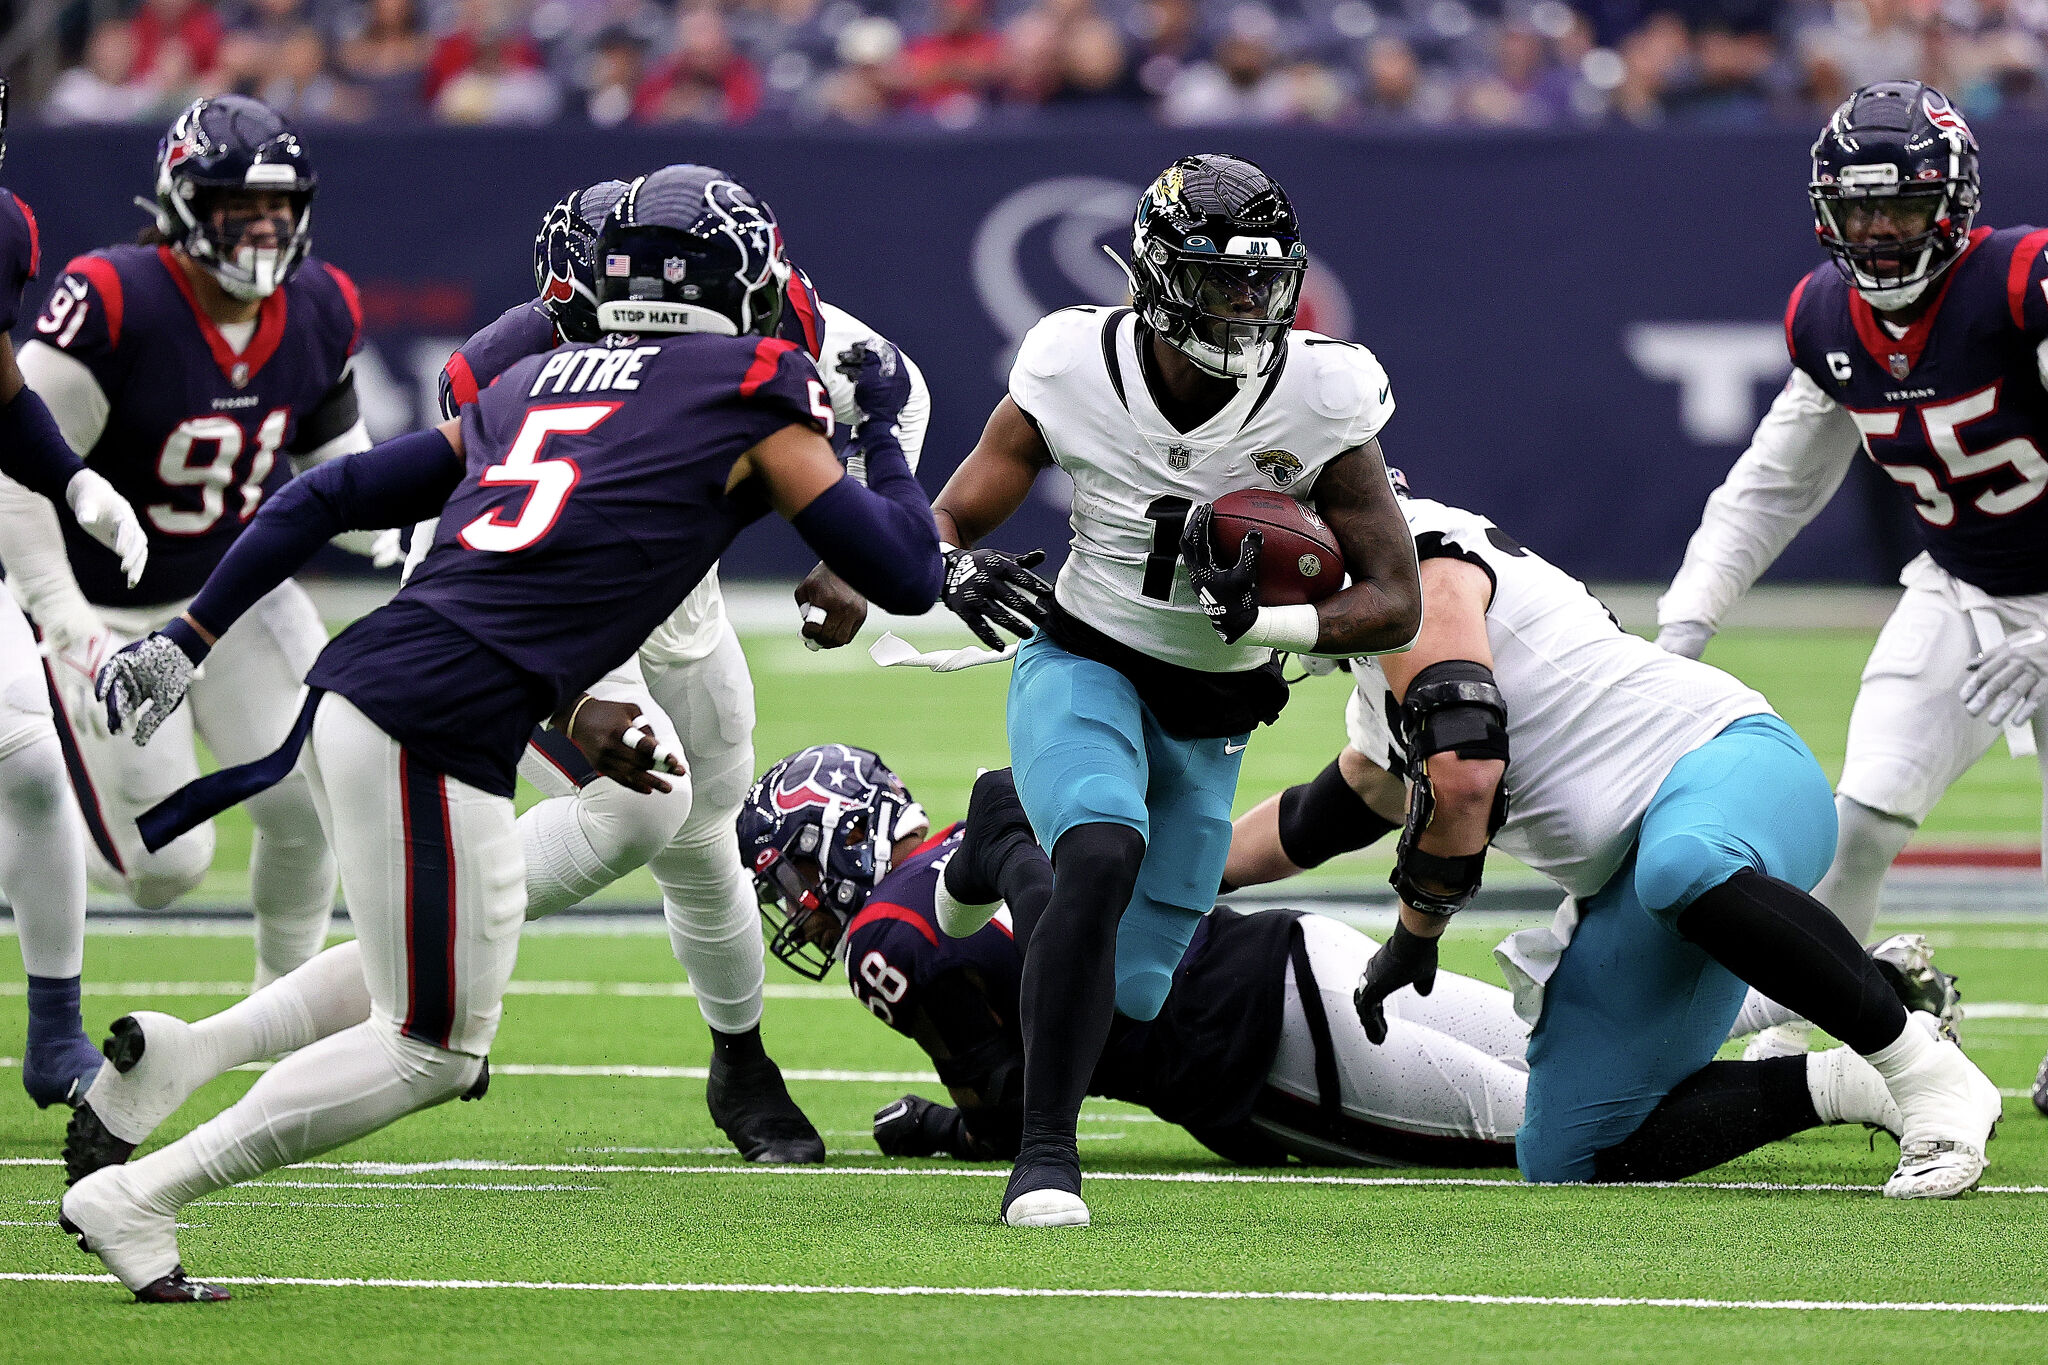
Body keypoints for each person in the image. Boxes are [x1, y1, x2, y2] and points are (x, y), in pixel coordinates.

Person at [58, 163, 943, 1302]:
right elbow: (909, 570)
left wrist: (189, 637)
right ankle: (139, 1198)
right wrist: (884, 455)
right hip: (436, 711)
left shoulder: (533, 383)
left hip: (390, 684)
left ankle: (186, 1063)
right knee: (433, 1047)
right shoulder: (751, 377)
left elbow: (332, 500)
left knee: (443, 967)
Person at [1231, 476, 2000, 1194]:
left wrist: (1412, 935)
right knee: (1569, 1148)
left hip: (1736, 768)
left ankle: (1925, 1073)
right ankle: (1846, 1078)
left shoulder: (1428, 566)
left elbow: (1466, 771)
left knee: (1682, 865)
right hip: (1635, 878)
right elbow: (1342, 802)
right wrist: (1183, 875)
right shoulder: (1383, 652)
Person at [927, 153, 1422, 1225]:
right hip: (1087, 656)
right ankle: (1044, 1160)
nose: (1246, 304)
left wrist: (1276, 622)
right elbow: (953, 513)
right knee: (1098, 857)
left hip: (1216, 712)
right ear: (1153, 276)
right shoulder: (1071, 364)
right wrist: (953, 569)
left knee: (1135, 995)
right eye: (1217, 278)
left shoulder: (1319, 388)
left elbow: (1394, 600)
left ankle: (992, 830)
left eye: (1261, 279)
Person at [417, 176, 931, 1161]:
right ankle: (409, 963)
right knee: (643, 809)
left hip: (664, 578)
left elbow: (892, 390)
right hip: (516, 591)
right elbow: (463, 537)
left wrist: (851, 549)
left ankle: (739, 1062)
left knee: (703, 832)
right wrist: (569, 694)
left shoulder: (780, 307)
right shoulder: (501, 369)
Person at [1655, 82, 2048, 1111]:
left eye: (1899, 208)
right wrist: (1683, 622)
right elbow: (1770, 486)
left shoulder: (2019, 284)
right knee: (1858, 818)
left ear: (1952, 204)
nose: (1875, 233)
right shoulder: (1828, 317)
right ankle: (1844, 1021)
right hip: (1962, 593)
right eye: (1856, 209)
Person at [0, 95, 377, 1038]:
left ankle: (276, 1017)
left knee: (308, 798)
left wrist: (398, 531)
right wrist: (65, 622)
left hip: (233, 592)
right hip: (107, 609)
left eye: (278, 209)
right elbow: (15, 475)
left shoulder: (320, 304)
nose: (262, 232)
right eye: (235, 209)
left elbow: (337, 463)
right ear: (180, 206)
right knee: (163, 870)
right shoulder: (117, 300)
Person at [0, 78, 154, 1107]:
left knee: (32, 765)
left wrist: (74, 478)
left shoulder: (4, 226)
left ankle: (54, 1026)